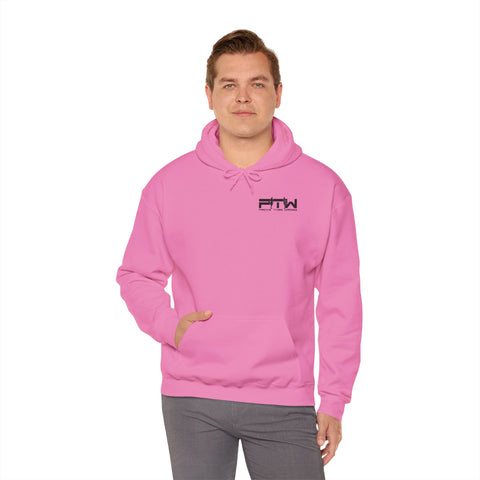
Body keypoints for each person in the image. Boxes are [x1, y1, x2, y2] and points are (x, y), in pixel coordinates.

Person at [116, 29, 363, 480]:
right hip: (191, 397)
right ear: (209, 95)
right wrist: (170, 326)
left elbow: (340, 300)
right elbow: (136, 274)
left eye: (257, 83)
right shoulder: (169, 185)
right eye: (229, 84)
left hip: (284, 396)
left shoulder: (322, 187)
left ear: (279, 94)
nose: (243, 97)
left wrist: (334, 397)